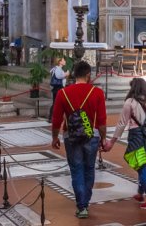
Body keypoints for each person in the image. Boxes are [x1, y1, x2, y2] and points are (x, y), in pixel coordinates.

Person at [50, 60, 108, 220]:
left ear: (74, 74)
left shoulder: (63, 93)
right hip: (92, 136)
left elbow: (56, 119)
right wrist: (103, 138)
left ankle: (81, 206)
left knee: (76, 170)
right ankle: (85, 202)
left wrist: (55, 137)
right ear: (88, 75)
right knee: (89, 169)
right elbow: (102, 121)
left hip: (71, 137)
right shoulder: (97, 93)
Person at [103, 78, 146, 210]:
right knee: (142, 165)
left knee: (141, 167)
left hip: (136, 136)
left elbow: (122, 123)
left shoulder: (130, 102)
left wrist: (112, 141)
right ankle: (140, 193)